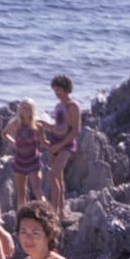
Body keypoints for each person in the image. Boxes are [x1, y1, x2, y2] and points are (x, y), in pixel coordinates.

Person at [43, 75, 81, 218]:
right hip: (54, 142)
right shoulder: (58, 106)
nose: (56, 93)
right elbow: (57, 127)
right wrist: (45, 124)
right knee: (58, 178)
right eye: (54, 90)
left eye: (58, 90)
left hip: (66, 145)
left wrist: (59, 146)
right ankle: (61, 210)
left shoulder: (73, 106)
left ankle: (55, 211)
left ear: (66, 89)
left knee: (52, 175)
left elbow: (76, 130)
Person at [1, 98, 45, 211]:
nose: (26, 110)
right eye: (24, 108)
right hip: (19, 161)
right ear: (20, 110)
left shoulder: (37, 125)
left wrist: (58, 145)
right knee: (21, 193)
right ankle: (20, 218)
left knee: (37, 190)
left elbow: (43, 143)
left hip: (33, 161)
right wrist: (13, 142)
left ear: (32, 110)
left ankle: (47, 213)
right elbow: (4, 133)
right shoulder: (16, 123)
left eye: (28, 108)